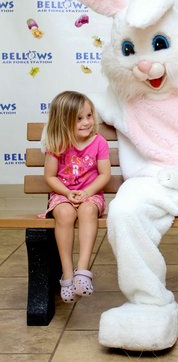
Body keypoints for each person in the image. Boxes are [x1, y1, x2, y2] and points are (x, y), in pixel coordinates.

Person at [43, 90, 111, 303]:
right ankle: (67, 274)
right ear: (63, 122)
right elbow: (50, 176)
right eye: (79, 118)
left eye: (89, 116)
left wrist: (87, 193)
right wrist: (66, 192)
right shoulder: (57, 145)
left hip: (91, 195)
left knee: (88, 209)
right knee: (63, 212)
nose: (86, 122)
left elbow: (105, 174)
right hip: (63, 195)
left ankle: (82, 271)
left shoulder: (99, 142)